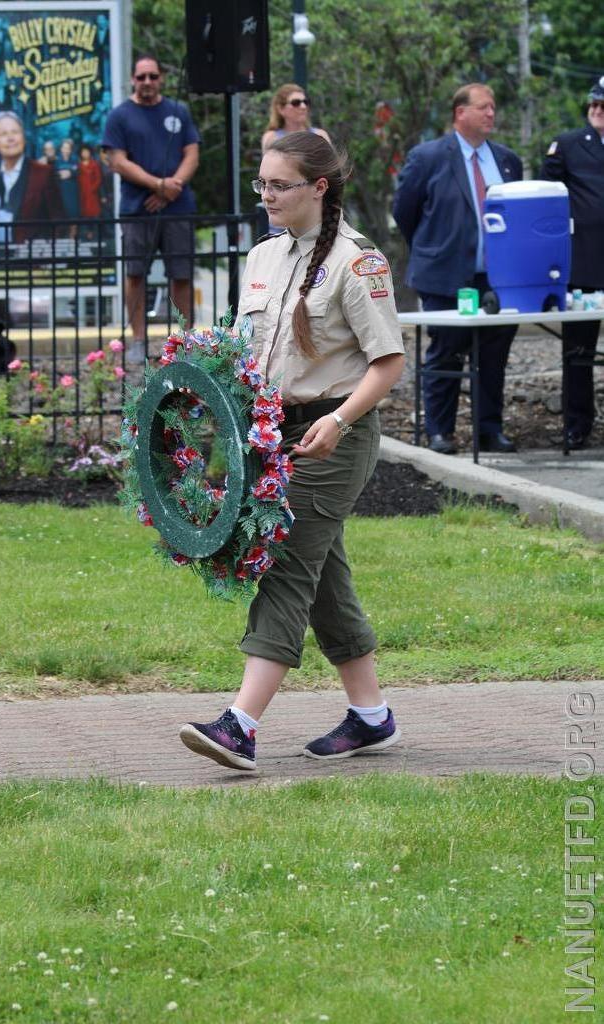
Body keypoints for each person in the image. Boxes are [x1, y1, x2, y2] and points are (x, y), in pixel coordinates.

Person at [179, 132, 405, 772]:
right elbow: (255, 356)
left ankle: (240, 726)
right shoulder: (264, 257)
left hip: (335, 438)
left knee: (283, 563)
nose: (267, 195)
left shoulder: (358, 263)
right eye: (262, 183)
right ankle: (371, 716)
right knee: (324, 572)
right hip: (274, 436)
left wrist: (337, 419)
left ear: (319, 187)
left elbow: (388, 363)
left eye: (280, 185)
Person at [393, 83, 523, 454]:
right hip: (444, 273)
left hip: (498, 276)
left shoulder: (508, 160)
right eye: (484, 107)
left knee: (494, 354)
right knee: (446, 351)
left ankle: (489, 430)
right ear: (460, 113)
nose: (491, 113)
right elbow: (405, 212)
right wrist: (434, 246)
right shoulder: (428, 157)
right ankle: (440, 431)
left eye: (494, 107)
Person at [102, 54, 200, 363]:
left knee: (181, 275)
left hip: (178, 207)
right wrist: (158, 185)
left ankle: (184, 342)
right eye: (141, 77)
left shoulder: (178, 111)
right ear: (133, 79)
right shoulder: (120, 115)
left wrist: (171, 188)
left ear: (161, 79)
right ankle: (138, 341)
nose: (147, 82)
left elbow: (192, 153)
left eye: (153, 76)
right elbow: (116, 161)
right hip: (136, 208)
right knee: (135, 275)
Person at [541, 74, 604, 449]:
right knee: (579, 351)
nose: (596, 110)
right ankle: (577, 424)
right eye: (594, 104)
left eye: (603, 105)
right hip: (582, 263)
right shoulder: (567, 145)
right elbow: (549, 200)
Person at [0, 112, 64, 246]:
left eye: (15, 132)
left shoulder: (43, 173)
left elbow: (59, 221)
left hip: (31, 261)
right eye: (3, 134)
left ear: (24, 137)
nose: (10, 138)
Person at [261, 83, 330, 152]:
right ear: (280, 109)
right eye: (296, 103)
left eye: (305, 102)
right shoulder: (271, 138)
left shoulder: (320, 135)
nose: (303, 107)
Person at [77, 144, 103, 239]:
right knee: (85, 214)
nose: (85, 153)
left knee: (94, 214)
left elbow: (99, 179)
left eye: (87, 151)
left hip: (92, 194)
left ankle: (95, 234)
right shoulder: (78, 165)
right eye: (83, 152)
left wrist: (93, 188)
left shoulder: (94, 164)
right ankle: (87, 234)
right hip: (82, 194)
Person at [56, 138, 79, 237]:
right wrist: (59, 174)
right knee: (59, 215)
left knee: (73, 214)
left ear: (71, 149)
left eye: (68, 148)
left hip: (72, 191)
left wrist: (70, 173)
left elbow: (78, 172)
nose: (66, 150)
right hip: (59, 191)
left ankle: (72, 238)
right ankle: (58, 239)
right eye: (64, 148)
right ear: (61, 149)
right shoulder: (56, 160)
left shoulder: (75, 159)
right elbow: (52, 174)